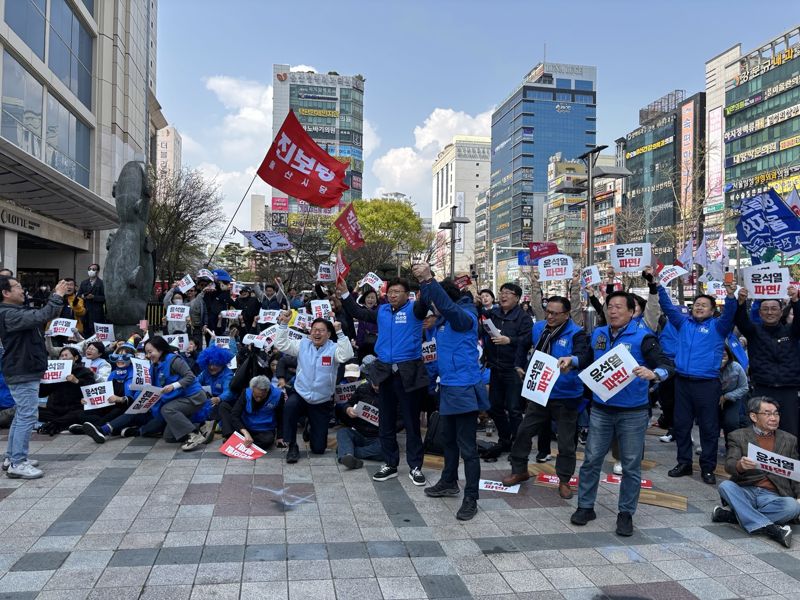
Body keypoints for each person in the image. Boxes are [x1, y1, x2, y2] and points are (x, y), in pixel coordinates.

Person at [571, 291, 673, 537]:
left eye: (618, 307)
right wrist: (572, 360)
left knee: (630, 465)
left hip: (633, 412)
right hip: (601, 410)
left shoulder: (643, 337)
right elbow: (586, 358)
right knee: (592, 459)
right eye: (610, 306)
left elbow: (667, 364)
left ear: (631, 311)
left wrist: (655, 374)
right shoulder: (599, 334)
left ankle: (626, 513)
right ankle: (586, 506)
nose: (613, 311)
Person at [338, 276, 431, 485]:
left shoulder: (415, 310)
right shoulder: (382, 311)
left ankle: (416, 467)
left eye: (398, 291)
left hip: (409, 373)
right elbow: (358, 312)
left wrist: (426, 279)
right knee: (385, 422)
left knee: (411, 423)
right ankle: (390, 464)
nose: (393, 295)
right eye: (390, 292)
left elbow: (425, 302)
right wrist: (345, 292)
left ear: (407, 294)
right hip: (384, 372)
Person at [414, 264, 487, 521]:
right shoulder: (443, 322)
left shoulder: (464, 316)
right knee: (447, 440)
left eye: (436, 302)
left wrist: (428, 280)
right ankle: (448, 481)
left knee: (468, 448)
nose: (433, 308)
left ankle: (471, 498)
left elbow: (448, 307)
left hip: (464, 387)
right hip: (447, 387)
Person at [502, 295, 593, 500]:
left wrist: (572, 360)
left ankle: (564, 480)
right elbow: (523, 345)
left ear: (567, 314)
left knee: (566, 442)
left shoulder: (576, 333)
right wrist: (518, 365)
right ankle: (519, 470)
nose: (549, 316)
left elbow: (584, 356)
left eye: (555, 313)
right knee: (524, 432)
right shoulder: (539, 327)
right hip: (540, 393)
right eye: (547, 312)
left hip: (566, 395)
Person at [659, 281, 737, 484]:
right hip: (683, 383)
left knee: (709, 428)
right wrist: (657, 285)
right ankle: (684, 463)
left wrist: (730, 296)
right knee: (682, 425)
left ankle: (708, 467)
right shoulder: (683, 323)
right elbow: (667, 306)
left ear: (712, 311)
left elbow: (729, 314)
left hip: (707, 385)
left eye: (704, 305)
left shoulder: (719, 327)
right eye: (697, 304)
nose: (699, 307)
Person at [0, 276, 68, 478]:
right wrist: (57, 295)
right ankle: (17, 463)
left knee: (22, 414)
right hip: (22, 370)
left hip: (24, 368)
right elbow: (42, 316)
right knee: (27, 415)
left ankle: (12, 457)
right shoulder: (9, 314)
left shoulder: (13, 311)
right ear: (6, 293)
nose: (23, 290)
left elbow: (42, 315)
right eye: (18, 287)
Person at [713, 396, 800, 548]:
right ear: (753, 416)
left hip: (773, 496)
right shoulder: (738, 435)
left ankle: (733, 516)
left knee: (793, 506)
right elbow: (729, 464)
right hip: (746, 490)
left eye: (776, 413)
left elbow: (795, 472)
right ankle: (772, 529)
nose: (773, 418)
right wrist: (740, 465)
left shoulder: (789, 439)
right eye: (767, 413)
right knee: (725, 486)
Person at [274, 312, 354, 462]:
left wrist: (340, 333)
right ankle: (292, 446)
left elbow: (346, 355)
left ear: (329, 334)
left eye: (321, 330)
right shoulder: (303, 344)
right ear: (310, 332)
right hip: (301, 394)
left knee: (318, 449)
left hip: (322, 400)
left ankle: (310, 427)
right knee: (289, 406)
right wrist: (283, 324)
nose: (317, 333)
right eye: (314, 329)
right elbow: (282, 345)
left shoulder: (334, 348)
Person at [734, 286, 800, 439]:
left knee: (789, 433)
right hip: (763, 388)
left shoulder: (791, 331)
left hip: (788, 389)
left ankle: (789, 462)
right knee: (762, 431)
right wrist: (741, 302)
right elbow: (741, 321)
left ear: (781, 311)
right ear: (760, 312)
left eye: (774, 308)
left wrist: (796, 301)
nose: (770, 312)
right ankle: (763, 463)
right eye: (765, 309)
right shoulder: (754, 332)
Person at [480, 282, 533, 460]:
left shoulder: (523, 317)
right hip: (495, 367)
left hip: (513, 369)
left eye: (508, 293)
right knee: (494, 406)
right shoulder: (493, 314)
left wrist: (509, 340)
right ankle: (505, 439)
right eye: (501, 292)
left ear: (517, 298)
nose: (503, 296)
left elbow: (527, 339)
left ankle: (518, 446)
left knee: (514, 408)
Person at [35, 347, 95, 435]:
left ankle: (55, 424)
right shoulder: (53, 372)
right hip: (54, 409)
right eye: (61, 356)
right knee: (33, 411)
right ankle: (62, 422)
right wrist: (42, 381)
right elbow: (42, 393)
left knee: (81, 414)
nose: (63, 358)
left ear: (76, 358)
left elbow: (91, 389)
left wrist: (77, 381)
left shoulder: (84, 371)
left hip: (74, 408)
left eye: (66, 355)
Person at [336, 362, 383, 470]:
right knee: (343, 432)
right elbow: (348, 403)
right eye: (374, 383)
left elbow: (400, 421)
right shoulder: (362, 388)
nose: (376, 386)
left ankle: (347, 452)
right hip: (359, 432)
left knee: (385, 450)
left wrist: (386, 423)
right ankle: (348, 454)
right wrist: (347, 409)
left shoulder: (393, 395)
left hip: (378, 436)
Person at [219, 375, 282, 449]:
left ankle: (239, 441)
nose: (258, 399)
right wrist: (245, 432)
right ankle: (231, 437)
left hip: (264, 429)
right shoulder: (246, 392)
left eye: (261, 396)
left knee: (267, 440)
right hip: (245, 426)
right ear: (252, 390)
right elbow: (235, 414)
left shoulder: (278, 395)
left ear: (267, 391)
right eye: (256, 396)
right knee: (224, 406)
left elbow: (281, 416)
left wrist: (280, 436)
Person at [719, 346, 749, 440]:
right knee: (710, 423)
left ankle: (731, 448)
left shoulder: (736, 367)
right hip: (714, 399)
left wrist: (727, 396)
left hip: (732, 399)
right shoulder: (709, 367)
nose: (723, 357)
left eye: (725, 354)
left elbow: (744, 387)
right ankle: (708, 448)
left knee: (731, 423)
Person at [78, 263, 105, 336]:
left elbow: (105, 298)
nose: (91, 271)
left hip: (97, 312)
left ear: (97, 271)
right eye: (89, 269)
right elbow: (78, 295)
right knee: (85, 331)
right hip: (85, 311)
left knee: (95, 332)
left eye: (93, 269)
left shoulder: (101, 283)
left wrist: (94, 297)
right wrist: (83, 296)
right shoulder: (84, 283)